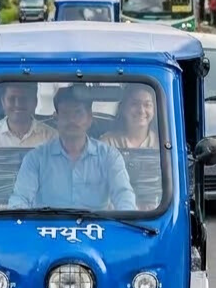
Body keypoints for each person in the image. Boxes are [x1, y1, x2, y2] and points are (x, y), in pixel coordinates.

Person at [9, 85, 137, 210]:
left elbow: (124, 195)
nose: (71, 120)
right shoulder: (36, 159)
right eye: (65, 114)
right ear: (56, 118)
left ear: (89, 118)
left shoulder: (110, 157)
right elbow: (20, 199)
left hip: (97, 228)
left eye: (78, 113)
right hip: (47, 227)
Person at [0, 82, 57, 147]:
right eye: (12, 99)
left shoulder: (52, 137)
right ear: (3, 102)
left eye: (24, 99)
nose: (18, 104)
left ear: (35, 102)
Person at [102, 84, 159, 148]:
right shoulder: (108, 142)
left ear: (154, 110)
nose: (141, 111)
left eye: (147, 105)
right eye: (135, 104)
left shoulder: (160, 141)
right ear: (123, 108)